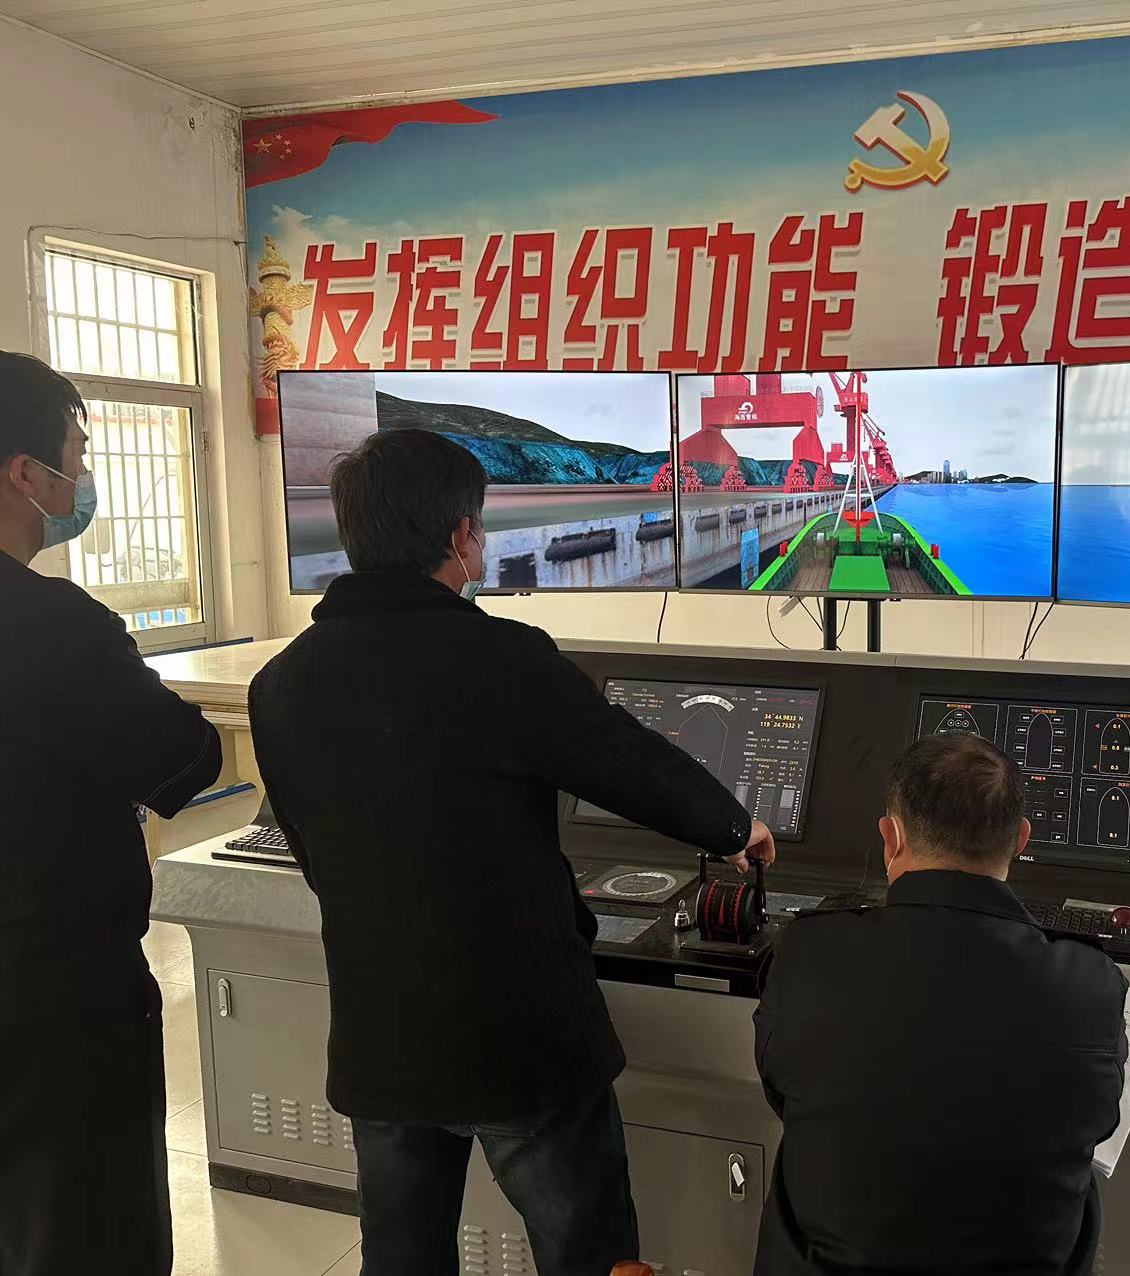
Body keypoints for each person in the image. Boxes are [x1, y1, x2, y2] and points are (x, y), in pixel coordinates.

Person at [248, 427, 774, 1276]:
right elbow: (622, 761)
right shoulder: (501, 657)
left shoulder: (279, 684)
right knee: (586, 1252)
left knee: (401, 1256)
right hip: (521, 1038)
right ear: (462, 536)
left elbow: (316, 851)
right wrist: (734, 828)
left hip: (383, 1036)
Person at [0, 352, 223, 1274]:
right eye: (76, 454)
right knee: (86, 1232)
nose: (82, 474)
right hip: (55, 1002)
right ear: (25, 473)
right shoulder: (51, 626)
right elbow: (186, 758)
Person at [754, 732, 1127, 1276]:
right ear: (1020, 839)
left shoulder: (808, 953)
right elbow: (1098, 1119)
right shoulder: (1091, 983)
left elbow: (780, 1087)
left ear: (891, 837)